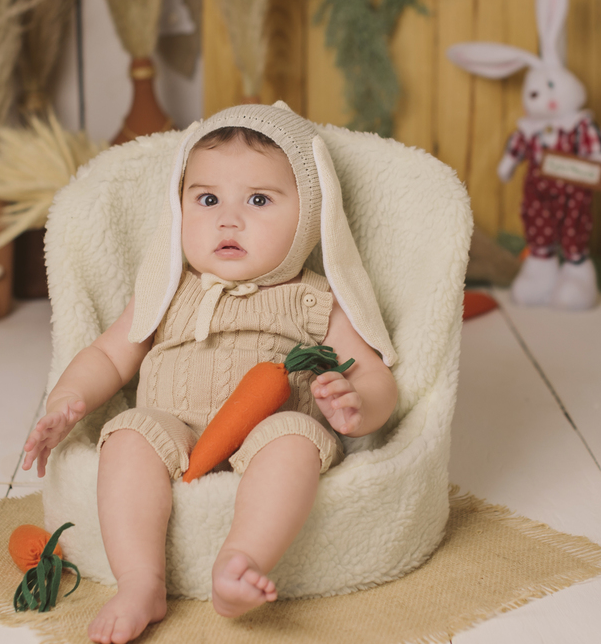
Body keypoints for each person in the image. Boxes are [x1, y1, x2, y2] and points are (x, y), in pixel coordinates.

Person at [21, 103, 398, 644]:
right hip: (171, 425)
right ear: (180, 208)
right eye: (207, 199)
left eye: (259, 200)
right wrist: (66, 402)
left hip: (269, 431)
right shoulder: (168, 287)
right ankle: (140, 582)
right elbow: (107, 355)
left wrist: (357, 403)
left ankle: (240, 562)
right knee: (127, 436)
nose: (228, 218)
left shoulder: (316, 299)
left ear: (310, 218)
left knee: (294, 440)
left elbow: (376, 376)